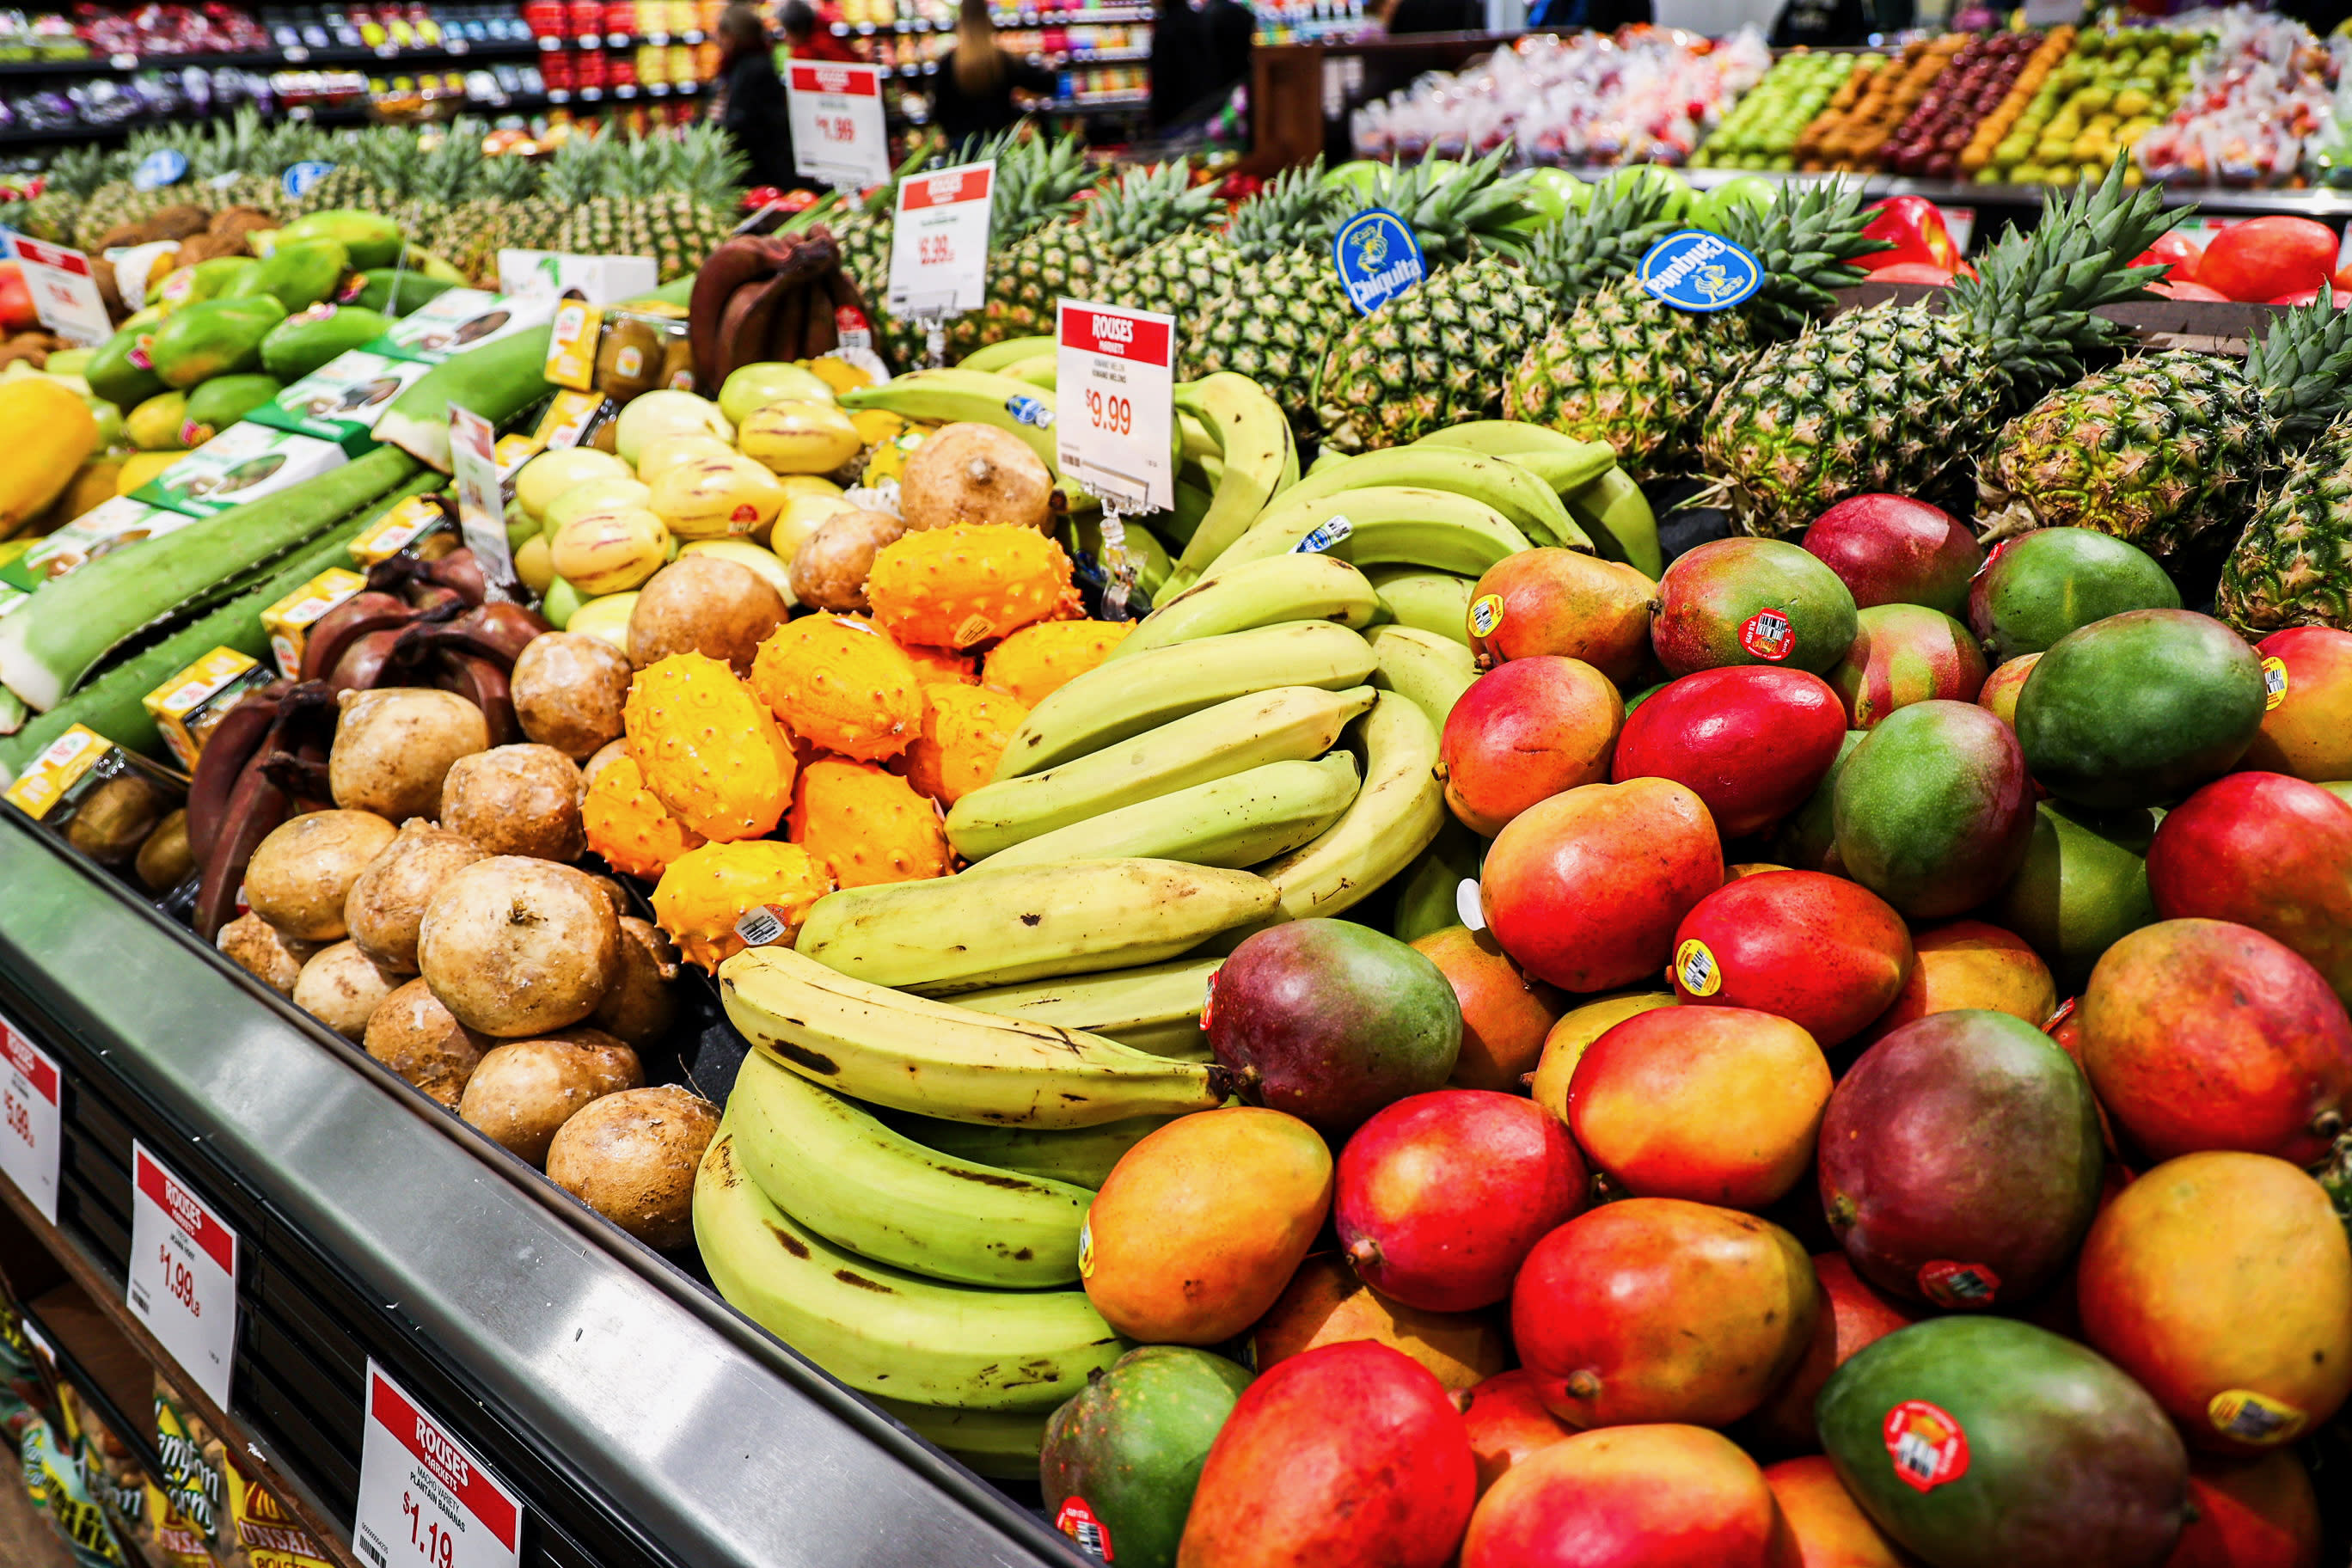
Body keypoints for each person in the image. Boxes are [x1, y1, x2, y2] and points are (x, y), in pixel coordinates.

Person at [929, 0, 1058, 146]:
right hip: (998, 141)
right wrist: (1050, 67)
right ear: (988, 19)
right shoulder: (1001, 59)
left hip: (961, 144)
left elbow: (938, 110)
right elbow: (1045, 83)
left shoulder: (948, 62)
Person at [709, 3, 802, 190]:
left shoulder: (754, 68)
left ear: (732, 36)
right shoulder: (739, 65)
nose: (715, 38)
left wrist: (712, 128)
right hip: (756, 165)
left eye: (719, 33)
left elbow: (745, 121)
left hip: (763, 170)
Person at [1148, 0, 1204, 130]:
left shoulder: (1167, 28)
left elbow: (1163, 81)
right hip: (1201, 110)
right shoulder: (1198, 19)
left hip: (1175, 117)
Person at [779, 0, 861, 64]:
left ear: (798, 31)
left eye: (786, 31)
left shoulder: (809, 50)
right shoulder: (825, 33)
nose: (785, 37)